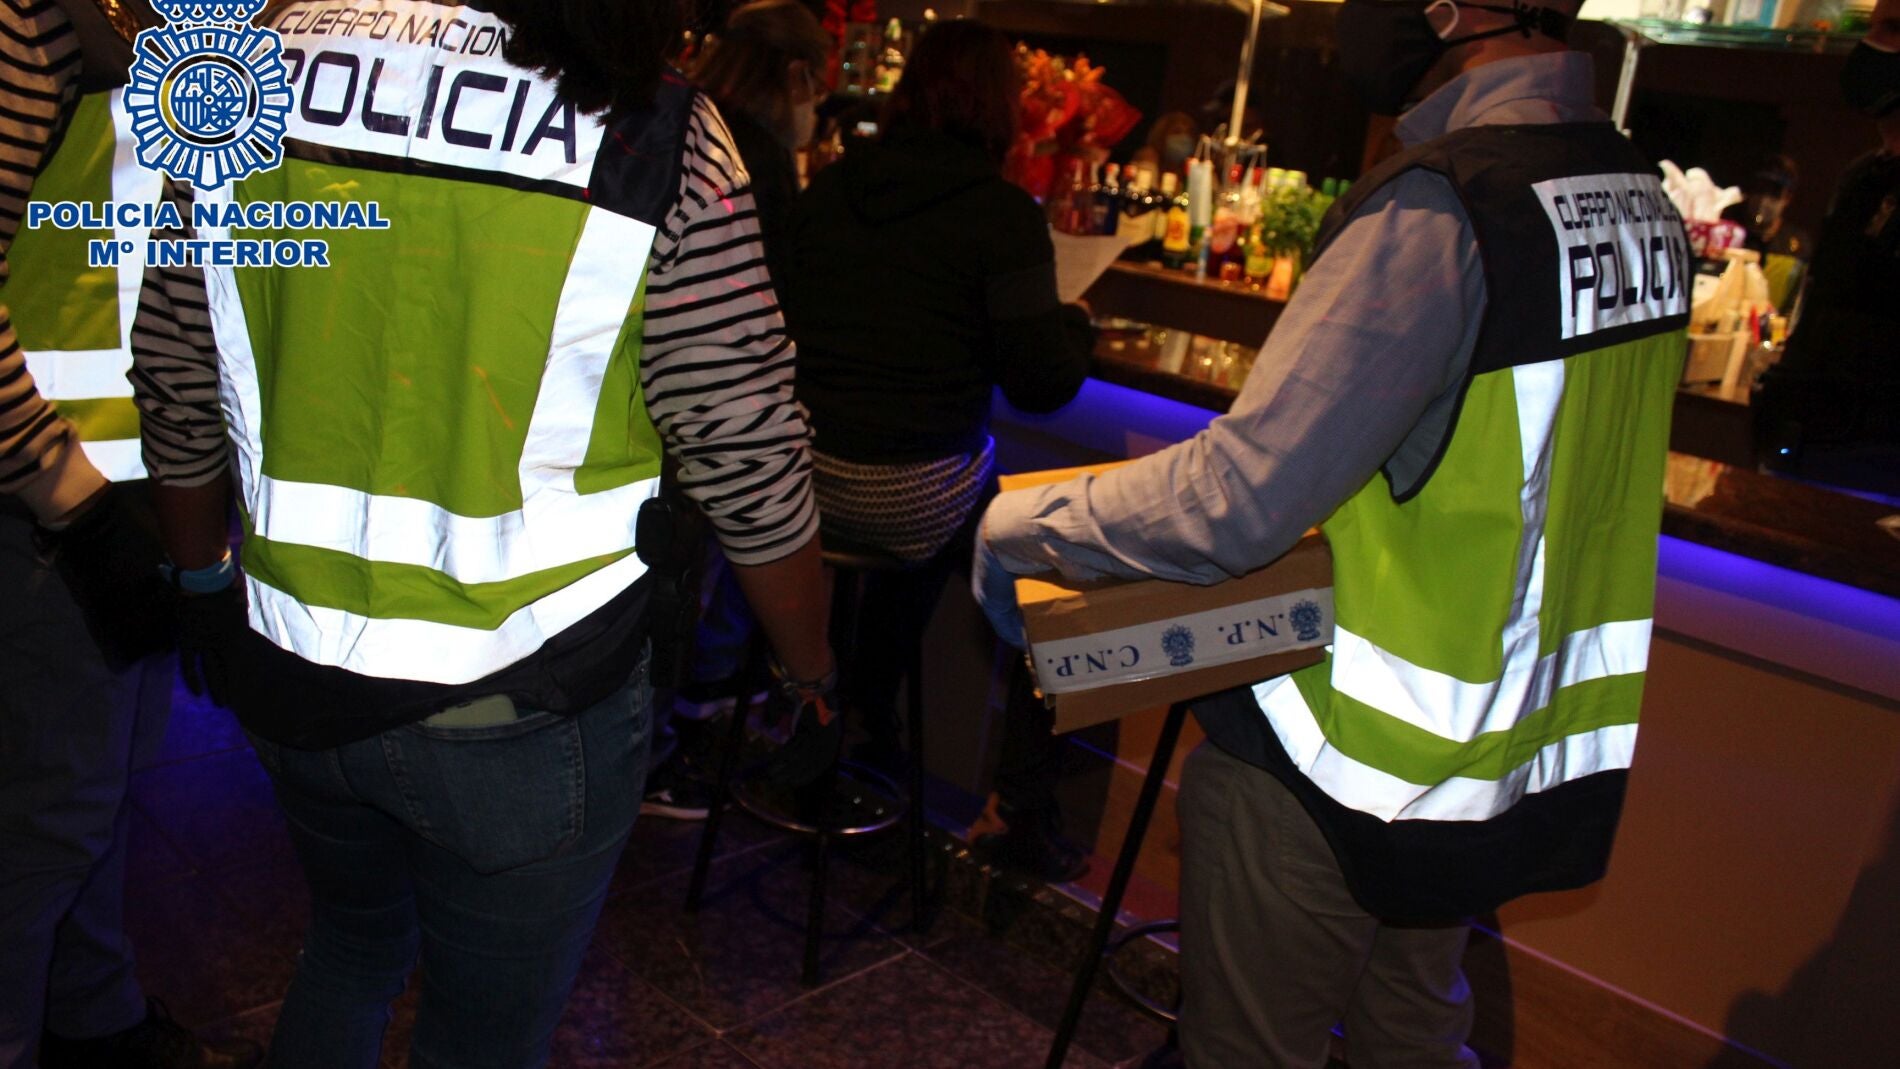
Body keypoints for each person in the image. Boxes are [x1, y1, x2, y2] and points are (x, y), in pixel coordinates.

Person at [974, 0, 1691, 1064]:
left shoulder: (1447, 206)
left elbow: (1237, 497)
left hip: (1340, 751)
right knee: (1411, 1032)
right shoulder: (1636, 200)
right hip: (1485, 749)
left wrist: (1019, 524)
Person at [129, 2, 835, 1066]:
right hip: (533, 690)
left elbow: (176, 374)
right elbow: (746, 449)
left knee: (348, 950)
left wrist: (197, 586)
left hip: (294, 666)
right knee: (483, 1039)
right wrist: (808, 668)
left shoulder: (248, 71)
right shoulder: (655, 125)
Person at [0, 2, 258, 1066]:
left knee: (95, 792)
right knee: (48, 817)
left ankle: (96, 1019)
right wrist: (68, 491)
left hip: (141, 479)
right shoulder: (31, 24)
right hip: (50, 494)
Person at [783, 18, 1093, 879]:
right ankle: (1019, 812)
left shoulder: (831, 187)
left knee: (928, 500)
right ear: (1001, 106)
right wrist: (1075, 327)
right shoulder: (1001, 216)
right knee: (1055, 573)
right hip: (908, 493)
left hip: (799, 488)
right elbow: (1041, 384)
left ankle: (858, 722)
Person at [639, 0, 836, 823]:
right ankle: (660, 749)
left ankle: (674, 728)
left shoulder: (663, 126)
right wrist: (813, 670)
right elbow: (739, 381)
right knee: (682, 585)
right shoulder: (723, 156)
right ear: (795, 75)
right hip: (688, 431)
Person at [1755, 0, 1900, 496]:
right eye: (1873, 29)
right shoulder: (1863, 177)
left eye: (1893, 30)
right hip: (1806, 445)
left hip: (1877, 471)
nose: (1872, 47)